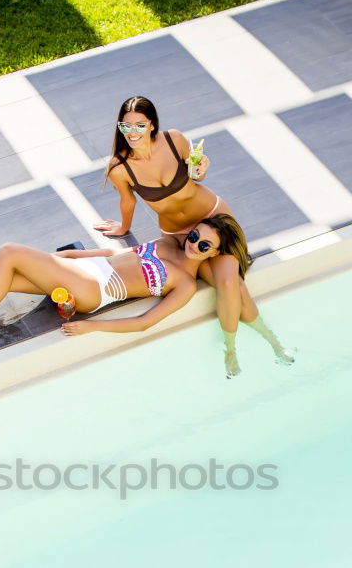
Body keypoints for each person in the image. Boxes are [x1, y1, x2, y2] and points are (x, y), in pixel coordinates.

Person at [93, 96, 294, 378]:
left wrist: (202, 168)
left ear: (152, 125)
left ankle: (252, 344)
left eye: (140, 125)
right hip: (178, 234)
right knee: (234, 284)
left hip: (212, 218)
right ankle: (250, 346)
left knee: (229, 282)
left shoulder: (175, 140)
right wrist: (122, 228)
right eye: (126, 127)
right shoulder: (120, 167)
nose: (133, 133)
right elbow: (128, 202)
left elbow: (195, 173)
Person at [0, 215, 248, 357]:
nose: (195, 243)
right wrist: (76, 256)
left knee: (9, 251)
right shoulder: (169, 240)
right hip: (90, 268)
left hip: (95, 290)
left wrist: (94, 325)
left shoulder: (184, 283)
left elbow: (145, 322)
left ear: (214, 254)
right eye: (197, 234)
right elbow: (118, 254)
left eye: (205, 246)